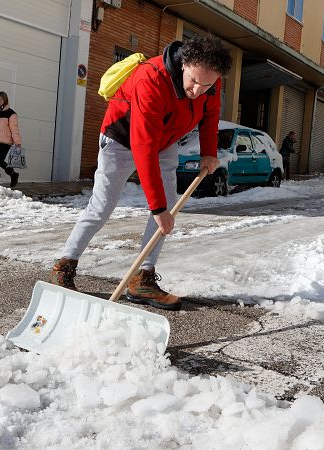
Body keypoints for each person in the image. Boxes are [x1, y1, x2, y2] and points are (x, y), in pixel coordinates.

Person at [50, 35, 232, 311]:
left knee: (168, 210)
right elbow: (143, 145)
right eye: (194, 81)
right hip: (122, 139)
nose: (198, 90)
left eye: (206, 84)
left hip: (165, 141)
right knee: (103, 206)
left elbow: (210, 114)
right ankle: (64, 265)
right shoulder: (152, 78)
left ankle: (142, 279)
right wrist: (157, 207)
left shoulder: (210, 79)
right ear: (184, 64)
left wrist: (209, 152)